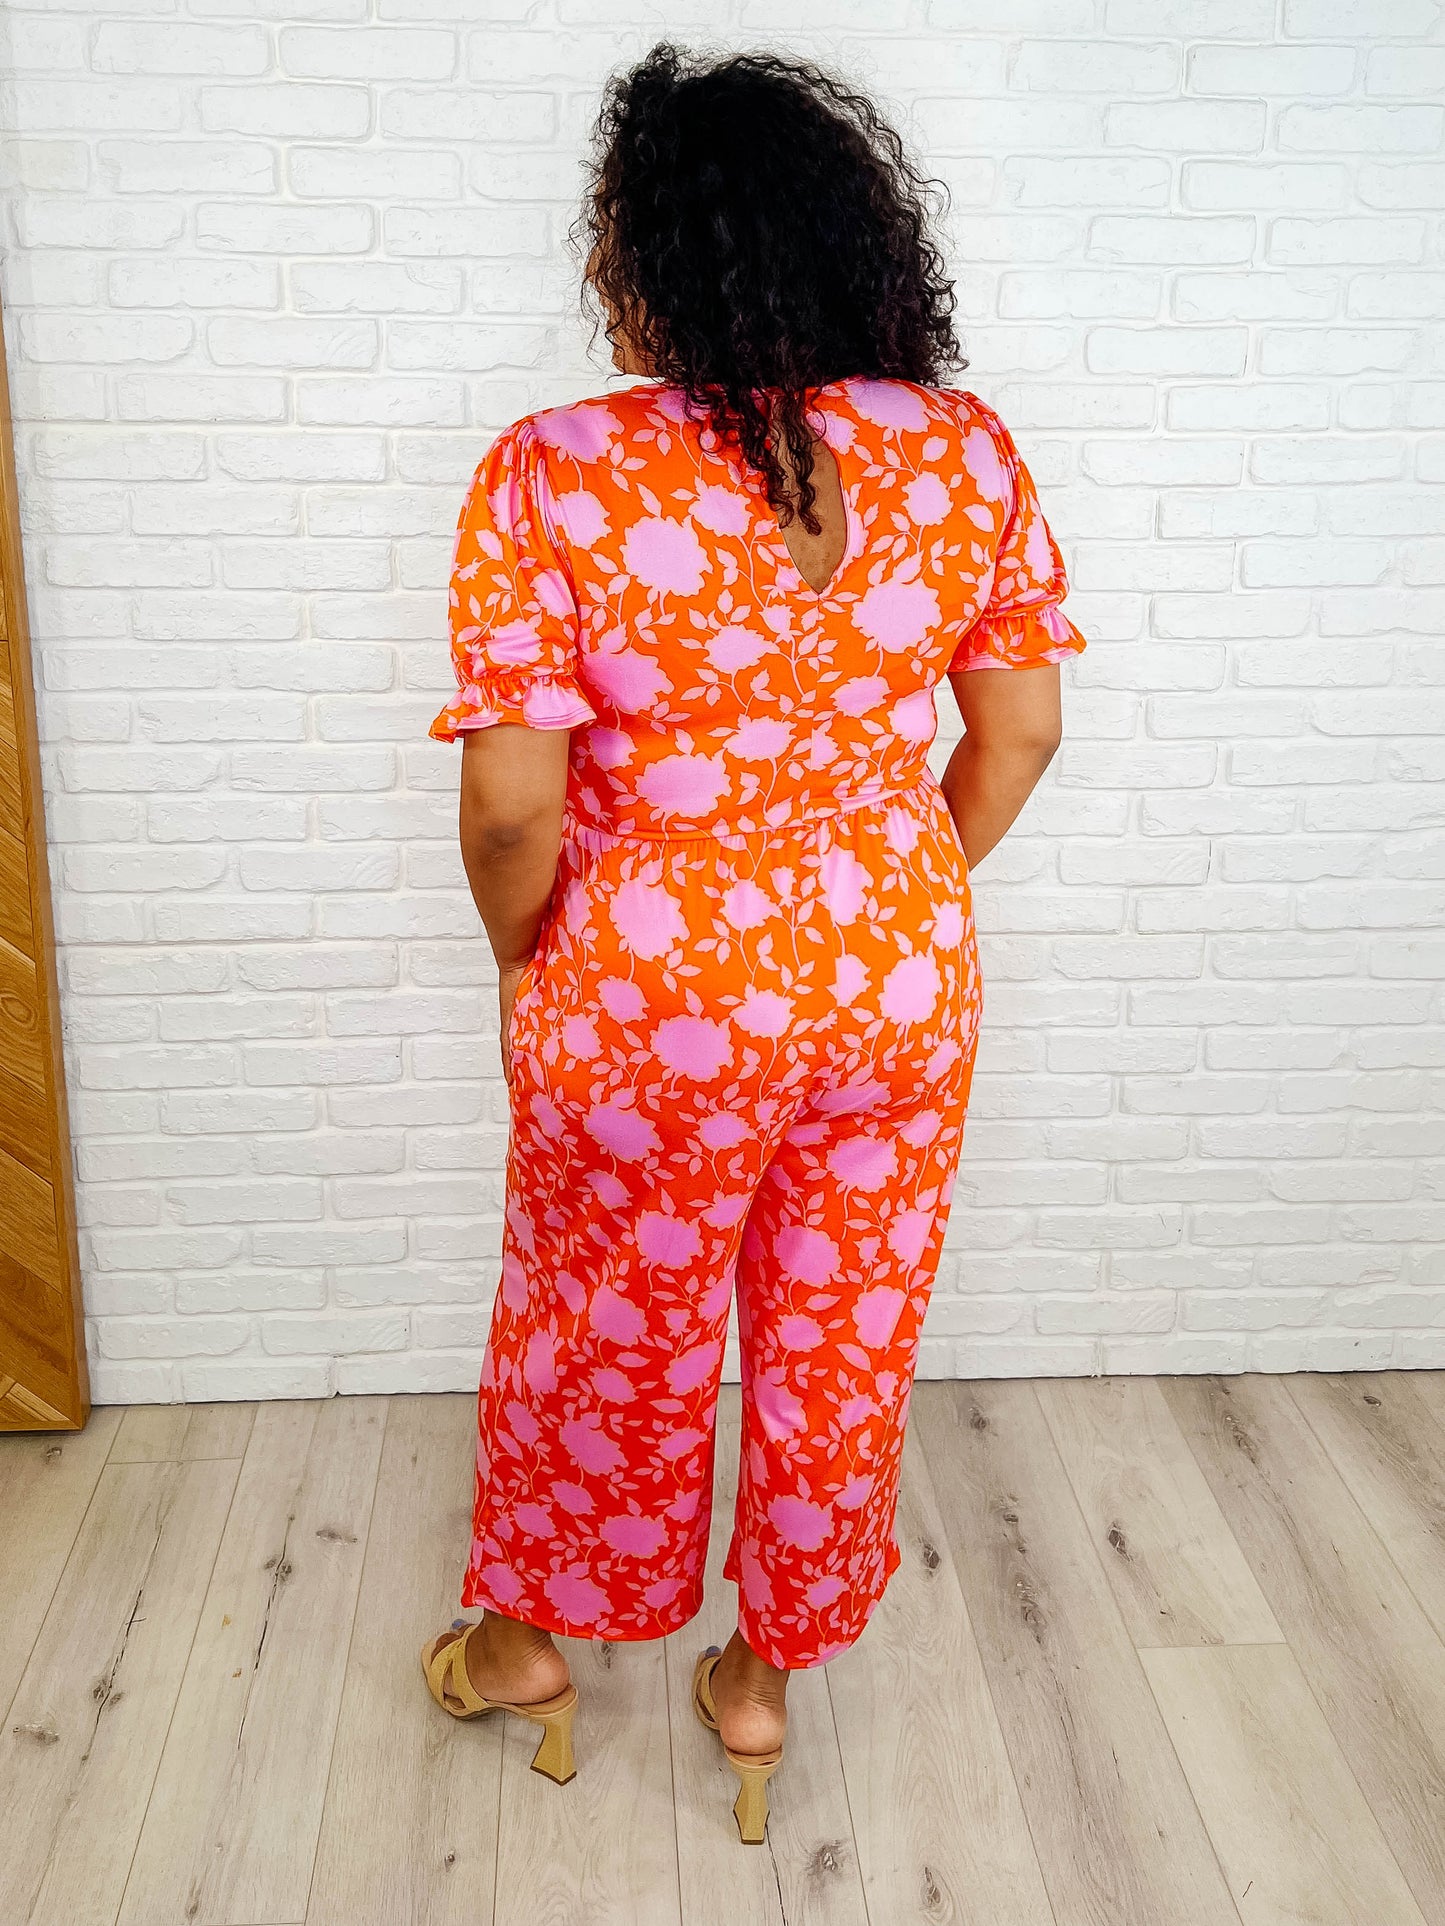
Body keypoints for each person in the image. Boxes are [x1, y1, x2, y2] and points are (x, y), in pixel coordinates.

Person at [420, 43, 1086, 1844]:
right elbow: (1019, 729)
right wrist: (889, 889)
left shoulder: (556, 472)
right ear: (850, 238)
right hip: (896, 980)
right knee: (841, 1331)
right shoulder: (962, 452)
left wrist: (524, 957)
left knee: (603, 1317)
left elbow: (513, 809)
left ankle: (526, 1647)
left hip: (649, 989)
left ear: (652, 254)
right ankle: (760, 1680)